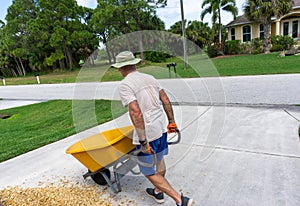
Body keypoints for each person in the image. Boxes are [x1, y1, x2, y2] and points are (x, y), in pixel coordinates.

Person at [111, 51, 193, 206]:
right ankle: (158, 192)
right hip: (161, 127)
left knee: (148, 171)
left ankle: (179, 199)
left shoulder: (125, 85)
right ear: (134, 64)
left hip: (148, 132)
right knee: (159, 160)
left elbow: (135, 111)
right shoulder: (150, 78)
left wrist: (142, 140)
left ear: (121, 68)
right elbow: (166, 99)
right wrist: (172, 122)